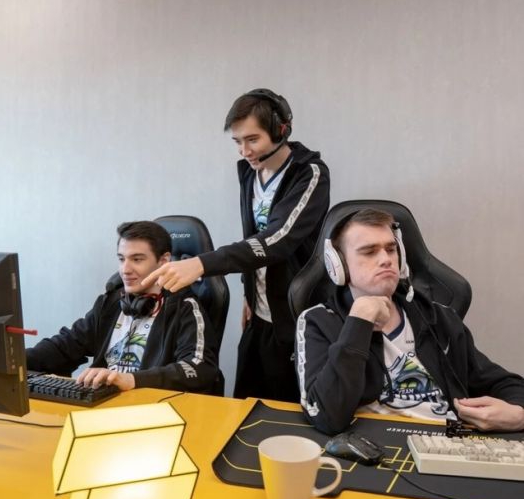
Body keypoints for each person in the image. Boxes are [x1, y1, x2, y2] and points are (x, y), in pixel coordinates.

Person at [141, 89, 330, 402]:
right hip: (258, 314)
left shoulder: (309, 174)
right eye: (238, 142)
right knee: (244, 406)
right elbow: (251, 237)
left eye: (252, 140)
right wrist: (249, 292)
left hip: (294, 318)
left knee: (286, 414)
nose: (244, 151)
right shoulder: (249, 173)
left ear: (281, 129)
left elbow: (277, 240)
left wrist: (201, 264)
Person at [296, 208, 524, 434]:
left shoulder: (438, 318)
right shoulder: (318, 321)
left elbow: (505, 383)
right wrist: (359, 322)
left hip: (447, 439)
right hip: (374, 443)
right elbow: (326, 416)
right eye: (369, 252)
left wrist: (519, 413)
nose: (386, 260)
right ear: (338, 266)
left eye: (391, 249)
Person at [27, 221, 223, 394]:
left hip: (152, 409)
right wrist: (17, 361)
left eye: (137, 259)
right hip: (103, 403)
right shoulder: (111, 303)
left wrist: (133, 380)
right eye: (122, 259)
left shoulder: (185, 307)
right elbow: (65, 345)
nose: (125, 270)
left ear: (163, 261)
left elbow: (200, 368)